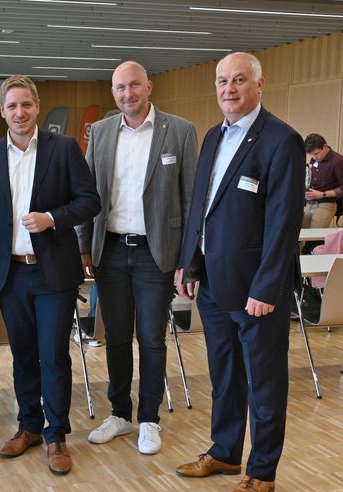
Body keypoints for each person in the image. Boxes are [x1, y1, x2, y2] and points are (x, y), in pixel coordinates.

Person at [175, 52, 304, 492]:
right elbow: (200, 208)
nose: (228, 89)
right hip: (212, 282)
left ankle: (262, 470)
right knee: (224, 374)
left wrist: (268, 288)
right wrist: (188, 262)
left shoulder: (281, 140)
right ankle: (226, 452)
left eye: (239, 80)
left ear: (259, 85)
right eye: (222, 81)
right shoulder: (213, 136)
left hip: (255, 291)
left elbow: (283, 222)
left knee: (265, 382)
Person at [0, 75, 100, 476]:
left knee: (53, 355)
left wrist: (52, 218)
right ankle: (29, 427)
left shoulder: (64, 150)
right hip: (10, 275)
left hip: (54, 274)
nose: (20, 113)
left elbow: (88, 201)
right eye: (12, 106)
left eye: (26, 105)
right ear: (2, 111)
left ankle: (57, 434)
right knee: (23, 356)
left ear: (37, 106)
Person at [77, 61, 198, 455]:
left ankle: (149, 419)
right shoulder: (102, 132)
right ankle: (120, 414)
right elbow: (89, 194)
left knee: (150, 338)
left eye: (133, 86)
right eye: (119, 88)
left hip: (155, 253)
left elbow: (192, 198)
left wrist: (189, 259)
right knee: (113, 339)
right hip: (109, 250)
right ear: (113, 93)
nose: (127, 94)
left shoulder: (179, 131)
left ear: (149, 86)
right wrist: (83, 246)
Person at [303, 133, 343, 231]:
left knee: (313, 241)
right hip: (308, 204)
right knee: (301, 236)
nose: (314, 157)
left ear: (325, 146)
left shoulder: (338, 161)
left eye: (316, 153)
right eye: (311, 154)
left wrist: (322, 194)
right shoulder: (314, 160)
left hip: (325, 205)